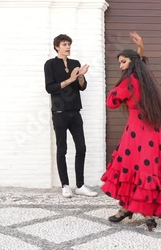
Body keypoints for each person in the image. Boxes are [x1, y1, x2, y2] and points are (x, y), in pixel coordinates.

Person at [101, 33, 161, 231]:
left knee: (131, 170)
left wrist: (114, 88)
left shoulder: (127, 83)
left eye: (123, 62)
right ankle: (142, 211)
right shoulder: (148, 78)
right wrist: (140, 50)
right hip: (154, 133)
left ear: (131, 63)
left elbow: (111, 103)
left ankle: (131, 208)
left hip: (136, 134)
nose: (120, 66)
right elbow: (141, 66)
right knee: (149, 171)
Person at [44, 34, 98, 198]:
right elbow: (50, 88)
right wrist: (70, 79)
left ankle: (80, 185)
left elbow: (82, 87)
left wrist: (80, 76)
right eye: (64, 44)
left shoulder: (75, 63)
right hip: (59, 113)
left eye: (69, 44)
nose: (67, 47)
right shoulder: (50, 64)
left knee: (81, 148)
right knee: (62, 149)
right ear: (56, 46)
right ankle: (65, 185)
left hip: (75, 111)